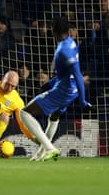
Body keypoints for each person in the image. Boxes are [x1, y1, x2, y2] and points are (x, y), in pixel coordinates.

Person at [19, 16, 92, 161]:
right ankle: (40, 154)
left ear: (54, 32)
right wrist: (50, 83)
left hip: (64, 91)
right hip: (70, 89)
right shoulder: (71, 42)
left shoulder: (63, 51)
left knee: (24, 113)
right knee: (54, 117)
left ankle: (49, 147)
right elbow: (67, 73)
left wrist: (83, 101)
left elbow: (78, 75)